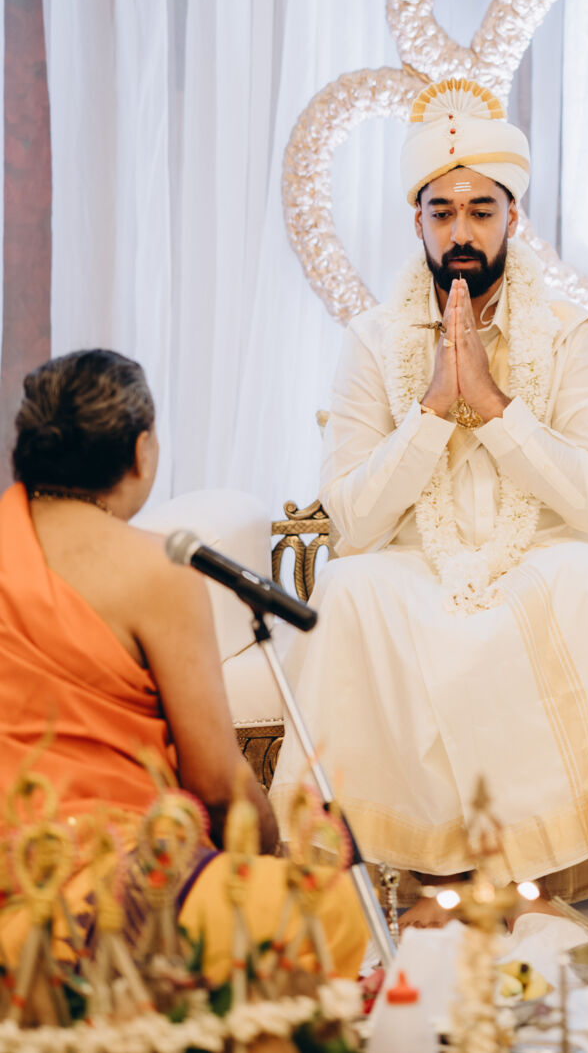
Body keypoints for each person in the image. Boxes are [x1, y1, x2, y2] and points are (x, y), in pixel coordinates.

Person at [270, 79, 588, 918]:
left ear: (513, 217)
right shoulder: (372, 343)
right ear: (416, 222)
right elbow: (355, 520)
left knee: (583, 579)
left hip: (543, 555)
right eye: (441, 212)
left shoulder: (572, 338)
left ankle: (529, 880)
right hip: (415, 567)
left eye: (481, 211)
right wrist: (434, 410)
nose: (460, 232)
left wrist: (494, 404)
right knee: (349, 588)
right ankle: (414, 876)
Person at [0, 349, 365, 977]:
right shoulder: (156, 571)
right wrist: (267, 858)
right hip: (103, 878)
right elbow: (217, 786)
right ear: (141, 452)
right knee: (332, 910)